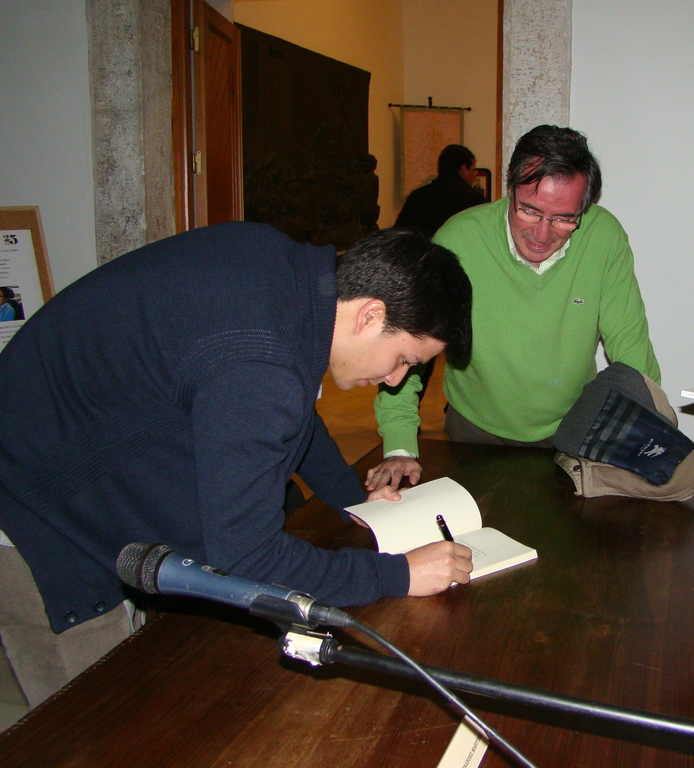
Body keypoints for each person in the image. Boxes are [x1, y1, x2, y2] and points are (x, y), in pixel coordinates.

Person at [0, 223, 474, 708]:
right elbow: (247, 558)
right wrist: (397, 575)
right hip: (36, 507)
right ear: (371, 314)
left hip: (69, 451)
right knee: (92, 721)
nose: (396, 379)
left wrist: (353, 502)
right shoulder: (262, 358)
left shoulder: (292, 280)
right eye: (403, 359)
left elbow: (294, 418)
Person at [367, 125, 660, 491]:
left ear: (585, 208)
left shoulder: (604, 238)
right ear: (509, 189)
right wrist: (398, 444)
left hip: (571, 432)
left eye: (564, 218)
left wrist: (650, 437)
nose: (542, 234)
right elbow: (405, 349)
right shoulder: (459, 240)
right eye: (529, 211)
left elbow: (631, 351)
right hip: (474, 431)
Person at [394, 144, 486, 238]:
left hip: (424, 251)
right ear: (464, 169)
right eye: (473, 170)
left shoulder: (417, 196)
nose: (473, 176)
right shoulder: (474, 199)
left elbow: (399, 235)